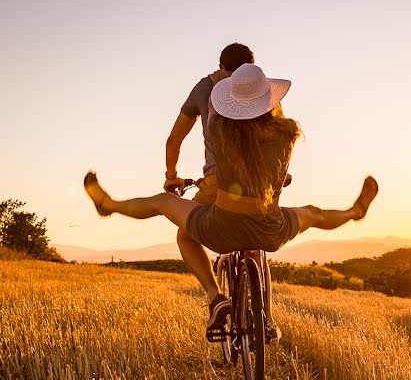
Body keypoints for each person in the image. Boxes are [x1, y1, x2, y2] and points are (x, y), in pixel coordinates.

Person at [84, 64, 378, 334]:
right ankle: (355, 211)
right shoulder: (287, 134)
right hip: (269, 227)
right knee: (313, 214)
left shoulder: (219, 129)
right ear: (269, 100)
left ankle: (214, 297)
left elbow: (216, 163)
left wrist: (185, 179)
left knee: (166, 208)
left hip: (222, 227)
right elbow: (276, 174)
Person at [164, 43, 254, 320]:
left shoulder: (206, 88)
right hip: (260, 182)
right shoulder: (262, 89)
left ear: (220, 65)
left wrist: (172, 176)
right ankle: (266, 315)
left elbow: (175, 138)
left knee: (186, 235)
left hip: (219, 181)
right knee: (255, 234)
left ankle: (216, 298)